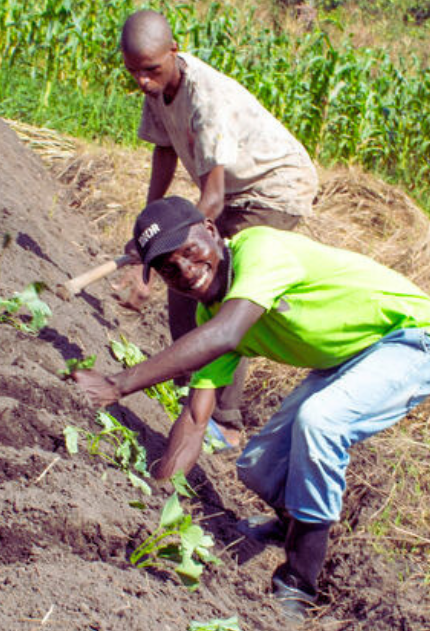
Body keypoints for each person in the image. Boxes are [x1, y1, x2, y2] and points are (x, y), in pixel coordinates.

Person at [74, 197, 430, 618]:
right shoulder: (214, 314)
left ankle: (299, 580)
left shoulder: (260, 250)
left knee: (322, 421)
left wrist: (118, 383)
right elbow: (196, 416)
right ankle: (294, 522)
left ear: (210, 228)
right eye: (168, 268)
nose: (185, 269)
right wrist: (160, 506)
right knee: (256, 465)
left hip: (415, 338)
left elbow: (228, 332)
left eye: (189, 251)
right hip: (349, 357)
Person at [117, 9, 319, 445]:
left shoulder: (205, 98)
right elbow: (164, 152)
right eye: (133, 72)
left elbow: (210, 200)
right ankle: (186, 388)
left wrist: (148, 264)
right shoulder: (154, 86)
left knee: (220, 289)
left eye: (151, 69)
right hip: (232, 190)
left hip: (273, 188)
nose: (143, 82)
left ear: (174, 50)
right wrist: (147, 234)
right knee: (181, 278)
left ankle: (224, 420)